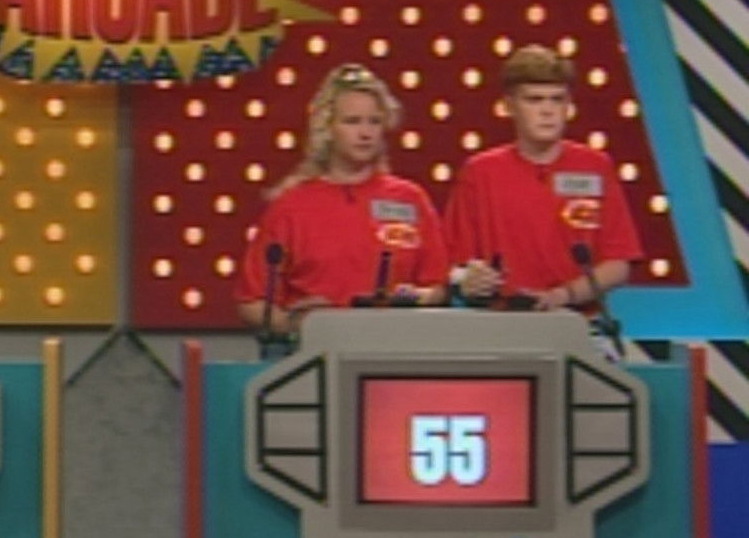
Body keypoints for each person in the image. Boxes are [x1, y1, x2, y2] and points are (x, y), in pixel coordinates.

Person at [235, 63, 449, 332]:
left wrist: (421, 298)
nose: (365, 133)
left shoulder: (410, 199)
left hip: (396, 346)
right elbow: (252, 301)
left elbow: (438, 286)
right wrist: (298, 325)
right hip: (317, 351)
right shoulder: (291, 207)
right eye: (352, 121)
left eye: (374, 121)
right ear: (327, 129)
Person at [442, 44, 643, 310]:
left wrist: (561, 296)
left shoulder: (595, 166)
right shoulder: (480, 172)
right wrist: (468, 279)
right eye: (534, 100)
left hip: (578, 320)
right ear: (509, 106)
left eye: (557, 99)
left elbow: (619, 263)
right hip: (501, 320)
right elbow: (453, 264)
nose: (547, 111)